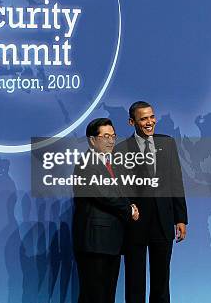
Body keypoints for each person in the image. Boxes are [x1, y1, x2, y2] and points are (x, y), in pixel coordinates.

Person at [116, 101, 188, 303]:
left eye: (151, 117)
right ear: (132, 122)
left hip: (163, 221)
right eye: (143, 118)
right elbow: (120, 187)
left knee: (161, 282)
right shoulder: (121, 150)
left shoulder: (167, 143)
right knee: (135, 282)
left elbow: (176, 181)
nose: (149, 122)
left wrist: (180, 218)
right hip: (135, 224)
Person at [73, 118, 139, 303]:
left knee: (107, 295)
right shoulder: (86, 163)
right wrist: (129, 209)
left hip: (111, 241)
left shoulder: (112, 164)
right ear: (92, 140)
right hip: (94, 242)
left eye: (113, 136)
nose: (111, 141)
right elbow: (103, 193)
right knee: (94, 295)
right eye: (106, 136)